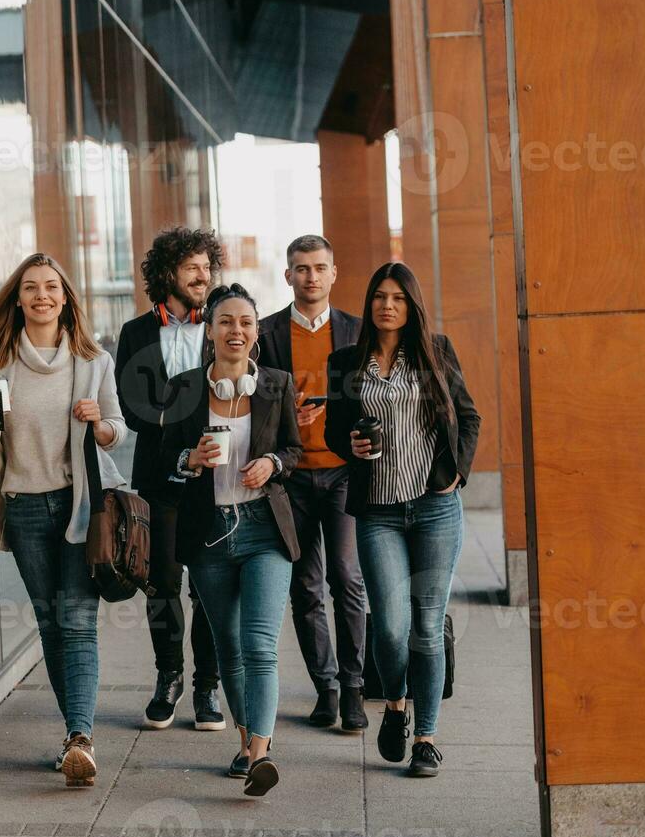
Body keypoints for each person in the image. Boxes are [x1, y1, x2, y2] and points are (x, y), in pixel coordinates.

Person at [0, 253, 128, 788]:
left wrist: (99, 423)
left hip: (80, 506)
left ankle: (81, 738)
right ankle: (73, 735)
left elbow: (116, 431)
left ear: (65, 297)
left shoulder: (93, 360)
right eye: (30, 288)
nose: (41, 296)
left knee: (77, 620)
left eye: (50, 287)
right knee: (52, 624)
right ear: (18, 299)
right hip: (25, 508)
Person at [326, 262, 480, 779]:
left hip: (435, 507)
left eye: (397, 298)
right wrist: (348, 443)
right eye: (379, 297)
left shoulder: (436, 351)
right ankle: (395, 705)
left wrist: (456, 471)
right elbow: (333, 431)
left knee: (427, 626)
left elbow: (468, 415)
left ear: (411, 305)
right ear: (369, 304)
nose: (387, 305)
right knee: (390, 627)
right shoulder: (346, 361)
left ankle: (429, 737)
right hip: (379, 513)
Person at [159, 284, 303, 797]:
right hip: (210, 534)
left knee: (261, 645)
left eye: (244, 321)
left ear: (256, 331)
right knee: (230, 649)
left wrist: (274, 463)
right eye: (225, 321)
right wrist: (188, 461)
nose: (235, 330)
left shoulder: (277, 385)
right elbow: (161, 462)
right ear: (211, 330)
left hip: (265, 528)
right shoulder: (184, 389)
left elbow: (294, 449)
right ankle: (245, 743)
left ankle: (261, 754)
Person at [256, 235, 368, 731]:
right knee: (304, 585)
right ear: (288, 276)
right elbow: (253, 401)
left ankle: (354, 689)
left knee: (345, 577)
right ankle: (325, 686)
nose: (311, 277)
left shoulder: (356, 332)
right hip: (291, 477)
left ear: (333, 273)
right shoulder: (266, 333)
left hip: (343, 472)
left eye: (319, 267)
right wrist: (285, 417)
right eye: (301, 268)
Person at [115, 227, 224, 731]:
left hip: (214, 475)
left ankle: (208, 687)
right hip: (159, 475)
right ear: (167, 275)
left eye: (207, 266)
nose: (203, 276)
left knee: (209, 585)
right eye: (192, 268)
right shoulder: (136, 333)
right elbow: (129, 408)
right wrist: (171, 430)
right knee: (161, 583)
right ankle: (169, 676)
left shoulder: (223, 325)